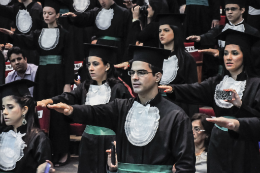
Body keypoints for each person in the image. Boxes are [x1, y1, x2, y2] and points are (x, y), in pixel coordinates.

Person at [48, 45, 196, 173]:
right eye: (132, 72)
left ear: (157, 76)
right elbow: (95, 112)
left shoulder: (175, 116)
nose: (135, 77)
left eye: (141, 72)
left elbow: (186, 164)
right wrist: (71, 110)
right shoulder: (122, 108)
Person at [159, 29, 260, 173]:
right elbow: (194, 89)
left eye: (235, 53)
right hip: (218, 141)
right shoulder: (217, 82)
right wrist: (173, 89)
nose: (228, 57)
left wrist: (240, 105)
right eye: (225, 53)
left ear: (245, 55)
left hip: (243, 145)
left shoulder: (255, 84)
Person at [0, 0, 74, 166]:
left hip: (58, 75)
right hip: (43, 75)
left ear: (57, 15)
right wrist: (11, 35)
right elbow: (26, 41)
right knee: (42, 110)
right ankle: (45, 150)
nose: (46, 16)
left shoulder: (65, 34)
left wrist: (67, 83)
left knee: (58, 113)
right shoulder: (38, 33)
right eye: (44, 13)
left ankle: (63, 151)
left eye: (49, 13)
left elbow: (69, 59)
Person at [37, 44, 132, 172]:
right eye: (88, 64)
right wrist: (50, 100)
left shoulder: (118, 88)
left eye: (95, 64)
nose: (90, 68)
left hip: (110, 141)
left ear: (107, 66)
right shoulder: (85, 87)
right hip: (88, 139)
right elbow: (69, 96)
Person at [0, 79, 53, 173]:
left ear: (24, 110)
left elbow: (45, 169)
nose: (4, 112)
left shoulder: (38, 138)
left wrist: (45, 170)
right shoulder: (3, 134)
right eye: (3, 107)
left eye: (10, 107)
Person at [62, 0, 131, 63]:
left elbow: (128, 37)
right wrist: (75, 16)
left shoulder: (124, 13)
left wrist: (126, 58)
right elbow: (85, 17)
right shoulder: (97, 12)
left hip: (116, 49)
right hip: (99, 48)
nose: (102, 1)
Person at [157, 13, 198, 117]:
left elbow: (192, 91)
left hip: (177, 109)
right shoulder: (155, 59)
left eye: (166, 30)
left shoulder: (187, 59)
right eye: (160, 31)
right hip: (156, 107)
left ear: (175, 31)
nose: (161, 34)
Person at [0, 0, 43, 65]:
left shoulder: (38, 10)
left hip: (33, 53)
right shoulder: (17, 8)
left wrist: (13, 34)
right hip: (19, 52)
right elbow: (3, 10)